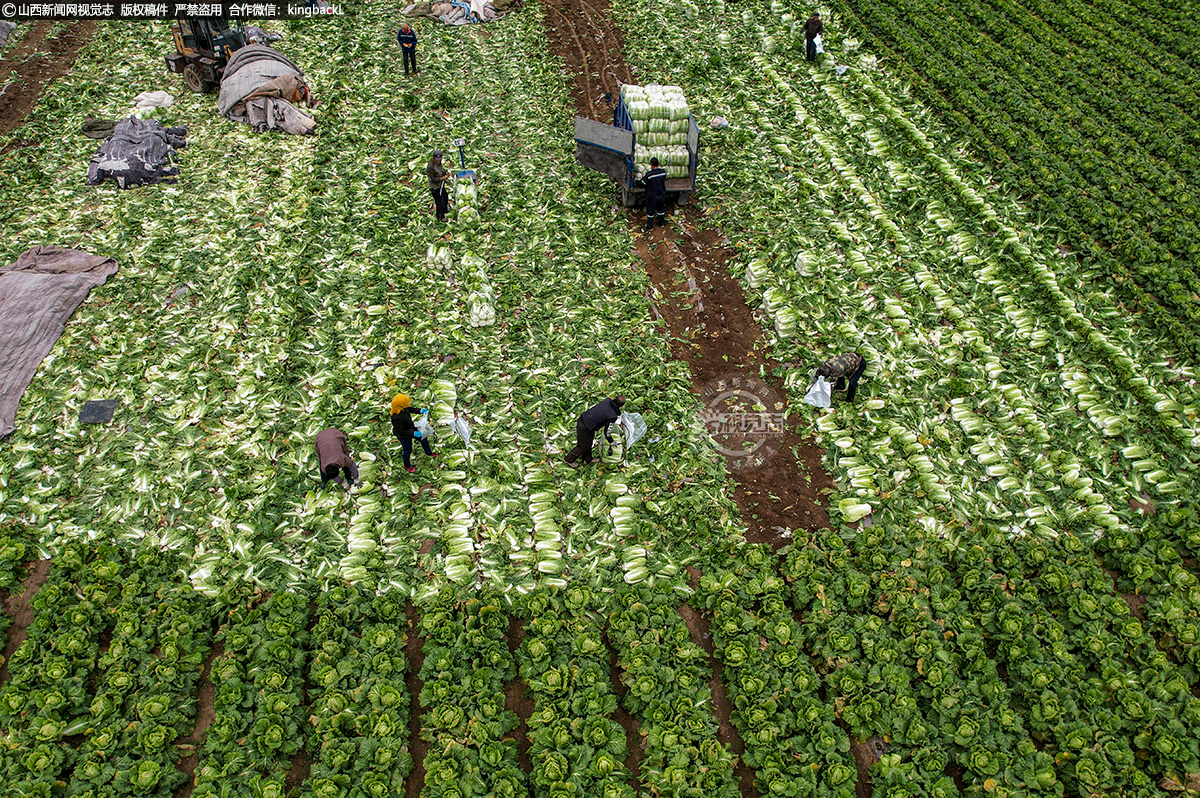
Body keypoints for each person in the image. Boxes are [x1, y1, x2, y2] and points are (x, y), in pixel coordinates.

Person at [564, 396, 626, 468]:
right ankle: (569, 459)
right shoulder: (612, 416)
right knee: (582, 446)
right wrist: (611, 441)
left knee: (589, 442)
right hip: (584, 426)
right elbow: (607, 432)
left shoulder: (607, 400)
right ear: (621, 406)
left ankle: (587, 459)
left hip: (587, 421)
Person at [391, 393, 437, 473]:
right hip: (404, 435)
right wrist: (413, 433)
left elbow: (411, 409)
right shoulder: (396, 417)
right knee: (408, 450)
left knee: (423, 438)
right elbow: (400, 431)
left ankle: (429, 453)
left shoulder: (404, 408)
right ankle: (407, 465)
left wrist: (420, 411)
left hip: (411, 428)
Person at [637, 158, 667, 232]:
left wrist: (636, 181)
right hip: (661, 194)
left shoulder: (649, 175)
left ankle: (650, 226)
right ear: (658, 164)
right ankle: (661, 223)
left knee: (650, 210)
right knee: (660, 209)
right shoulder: (663, 172)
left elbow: (642, 184)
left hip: (652, 196)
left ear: (651, 165)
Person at [426, 150, 450, 223]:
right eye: (437, 159)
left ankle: (445, 210)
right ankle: (440, 217)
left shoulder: (439, 163)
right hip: (435, 187)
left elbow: (441, 169)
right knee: (439, 202)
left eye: (440, 159)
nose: (439, 161)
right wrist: (441, 178)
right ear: (434, 158)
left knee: (445, 197)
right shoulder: (430, 167)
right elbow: (432, 179)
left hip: (440, 185)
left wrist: (445, 172)